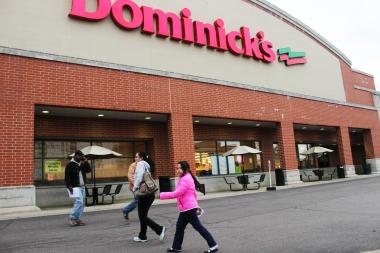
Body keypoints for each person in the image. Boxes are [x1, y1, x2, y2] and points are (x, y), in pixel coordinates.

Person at [160, 161, 219, 253]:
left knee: (198, 227)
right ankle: (176, 247)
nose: (177, 170)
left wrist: (162, 195)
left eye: (179, 168)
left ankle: (213, 245)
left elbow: (177, 193)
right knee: (180, 228)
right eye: (176, 168)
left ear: (185, 169)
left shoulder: (185, 179)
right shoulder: (185, 177)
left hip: (188, 209)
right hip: (186, 208)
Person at [133, 151, 166, 242]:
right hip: (149, 194)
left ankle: (159, 229)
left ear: (141, 158)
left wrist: (135, 187)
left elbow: (139, 177)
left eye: (136, 157)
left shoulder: (140, 164)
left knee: (142, 216)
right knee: (143, 216)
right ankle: (142, 236)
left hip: (144, 194)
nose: (135, 159)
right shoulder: (147, 165)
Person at [64, 150, 91, 226]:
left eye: (82, 156)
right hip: (75, 186)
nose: (81, 157)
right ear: (76, 156)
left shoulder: (81, 164)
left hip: (82, 186)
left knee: (82, 204)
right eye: (80, 156)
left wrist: (86, 162)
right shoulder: (70, 164)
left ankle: (77, 219)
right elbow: (67, 176)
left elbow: (88, 170)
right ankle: (72, 218)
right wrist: (69, 186)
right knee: (79, 202)